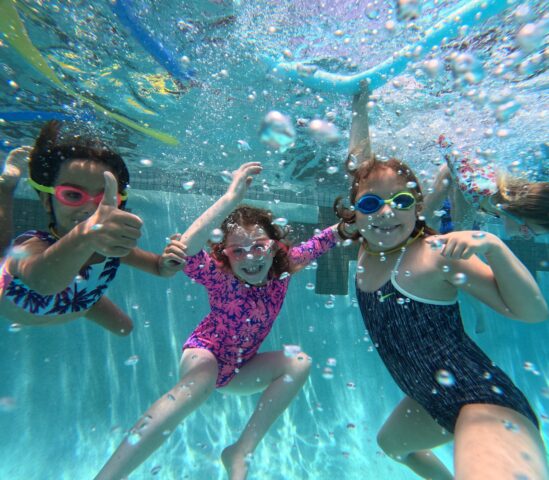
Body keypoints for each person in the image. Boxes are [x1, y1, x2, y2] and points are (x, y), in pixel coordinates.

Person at [334, 90, 549, 479]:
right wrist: (359, 107)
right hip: (429, 402)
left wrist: (494, 247)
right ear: (355, 213)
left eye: (400, 202)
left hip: (482, 402)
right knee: (393, 446)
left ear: (418, 210)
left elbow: (532, 312)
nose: (385, 213)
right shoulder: (368, 248)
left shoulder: (437, 254)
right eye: (370, 205)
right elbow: (360, 167)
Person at [94, 162, 343, 480]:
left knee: (300, 362)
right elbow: (186, 248)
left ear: (275, 247)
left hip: (243, 367)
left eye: (259, 247)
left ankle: (241, 450)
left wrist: (349, 225)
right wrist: (230, 197)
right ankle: (110, 475)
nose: (251, 257)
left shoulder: (283, 269)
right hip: (204, 352)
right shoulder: (220, 276)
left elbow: (325, 240)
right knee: (198, 385)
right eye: (238, 251)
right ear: (224, 256)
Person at [0, 121, 179, 334]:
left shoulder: (112, 249)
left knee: (125, 328)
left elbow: (158, 267)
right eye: (74, 195)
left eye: (103, 198)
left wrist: (169, 263)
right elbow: (45, 284)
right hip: (13, 298)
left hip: (80, 302)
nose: (89, 209)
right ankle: (6, 187)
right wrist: (87, 234)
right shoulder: (33, 246)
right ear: (48, 202)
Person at [423, 135, 549, 239]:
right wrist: (430, 213)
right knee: (426, 221)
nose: (526, 237)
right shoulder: (481, 189)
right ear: (521, 212)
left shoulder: (502, 206)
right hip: (439, 141)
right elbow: (449, 163)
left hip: (461, 172)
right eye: (527, 231)